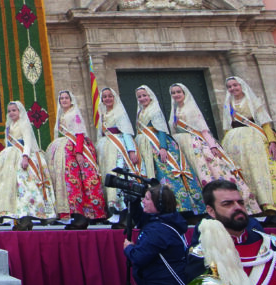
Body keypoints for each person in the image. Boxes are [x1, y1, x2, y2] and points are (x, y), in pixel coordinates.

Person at [192, 180, 276, 285]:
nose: (237, 207)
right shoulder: (202, 253)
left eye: (240, 202)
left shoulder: (270, 244)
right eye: (227, 204)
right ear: (211, 210)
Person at [168, 82, 260, 215]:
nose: (176, 95)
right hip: (183, 147)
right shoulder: (175, 110)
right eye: (173, 93)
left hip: (196, 145)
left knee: (210, 174)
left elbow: (203, 130)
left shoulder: (191, 108)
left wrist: (212, 145)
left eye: (178, 92)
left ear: (184, 93)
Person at [221, 76, 276, 220]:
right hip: (235, 140)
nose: (232, 88)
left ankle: (269, 207)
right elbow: (227, 125)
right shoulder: (227, 103)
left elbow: (265, 123)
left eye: (235, 85)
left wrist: (272, 142)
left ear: (241, 85)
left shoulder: (253, 100)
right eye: (229, 86)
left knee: (260, 170)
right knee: (242, 171)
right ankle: (250, 207)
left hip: (254, 137)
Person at [123, 184, 199, 285]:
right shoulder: (168, 220)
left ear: (159, 205)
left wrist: (129, 248)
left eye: (147, 199)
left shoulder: (158, 230)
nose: (143, 201)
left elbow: (139, 257)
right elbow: (143, 220)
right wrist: (134, 204)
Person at [0, 100, 55, 230]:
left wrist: (25, 157)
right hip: (9, 158)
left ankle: (26, 217)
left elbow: (27, 142)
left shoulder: (24, 124)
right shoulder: (9, 126)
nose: (11, 113)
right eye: (9, 111)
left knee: (24, 188)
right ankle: (18, 218)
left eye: (14, 110)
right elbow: (8, 143)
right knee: (12, 189)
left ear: (20, 111)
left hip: (22, 157)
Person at [134, 85, 204, 215]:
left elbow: (161, 129)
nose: (142, 98)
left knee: (168, 174)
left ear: (150, 96)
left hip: (158, 145)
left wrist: (163, 148)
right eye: (139, 96)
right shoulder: (140, 111)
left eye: (145, 95)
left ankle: (183, 207)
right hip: (145, 147)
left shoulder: (155, 110)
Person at [47, 90, 106, 226]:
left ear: (71, 99)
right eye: (61, 98)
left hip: (75, 150)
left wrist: (79, 152)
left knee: (80, 180)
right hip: (64, 150)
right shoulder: (61, 114)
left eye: (66, 98)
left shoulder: (75, 113)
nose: (64, 100)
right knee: (65, 180)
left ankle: (86, 212)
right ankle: (68, 212)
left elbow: (79, 133)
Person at [95, 87, 142, 221]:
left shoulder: (119, 112)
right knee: (106, 175)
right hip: (105, 149)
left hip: (118, 148)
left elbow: (126, 132)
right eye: (105, 97)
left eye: (110, 96)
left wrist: (131, 151)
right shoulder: (102, 114)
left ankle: (123, 211)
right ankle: (112, 211)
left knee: (118, 175)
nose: (108, 98)